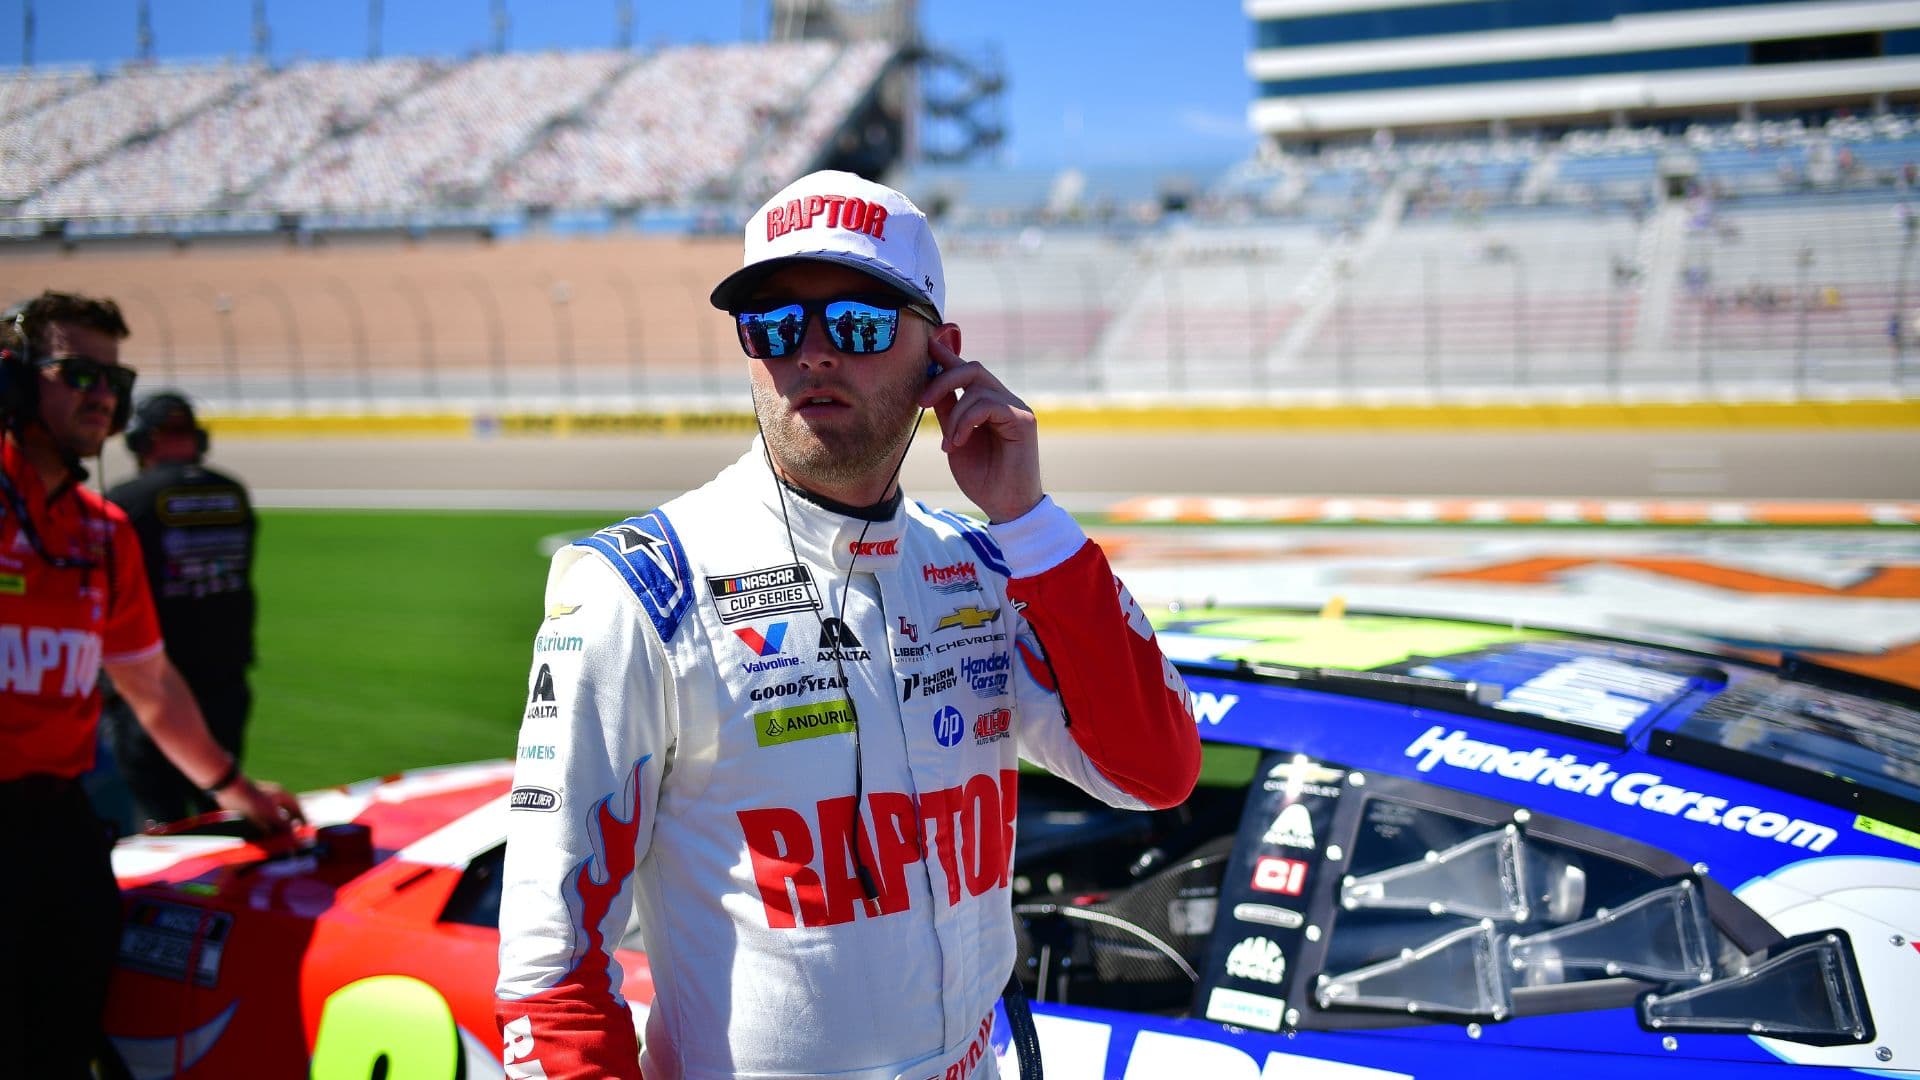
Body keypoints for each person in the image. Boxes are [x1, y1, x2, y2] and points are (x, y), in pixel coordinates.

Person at [495, 171, 1201, 1080]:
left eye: (859, 323)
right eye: (775, 326)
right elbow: (551, 977)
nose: (812, 354)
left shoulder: (982, 570)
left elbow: (1155, 770)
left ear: (940, 357)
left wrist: (1029, 521)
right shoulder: (639, 591)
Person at [0, 290, 303, 1079]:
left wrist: (236, 790)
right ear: (12, 379)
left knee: (63, 1049)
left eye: (114, 378)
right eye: (77, 372)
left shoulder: (104, 532)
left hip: (61, 833)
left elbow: (149, 685)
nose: (102, 396)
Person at [100, 390, 259, 828]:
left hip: (156, 684)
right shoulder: (233, 493)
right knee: (221, 800)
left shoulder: (125, 501)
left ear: (139, 442)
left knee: (159, 815)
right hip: (226, 678)